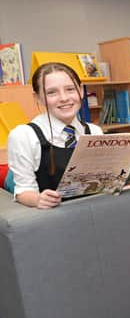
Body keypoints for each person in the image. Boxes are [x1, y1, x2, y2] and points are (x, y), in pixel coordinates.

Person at [7, 62, 103, 209]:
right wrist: (38, 199)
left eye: (70, 89)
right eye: (52, 92)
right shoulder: (23, 135)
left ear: (81, 90)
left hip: (95, 211)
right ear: (38, 98)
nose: (64, 98)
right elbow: (23, 191)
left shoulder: (95, 131)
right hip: (52, 220)